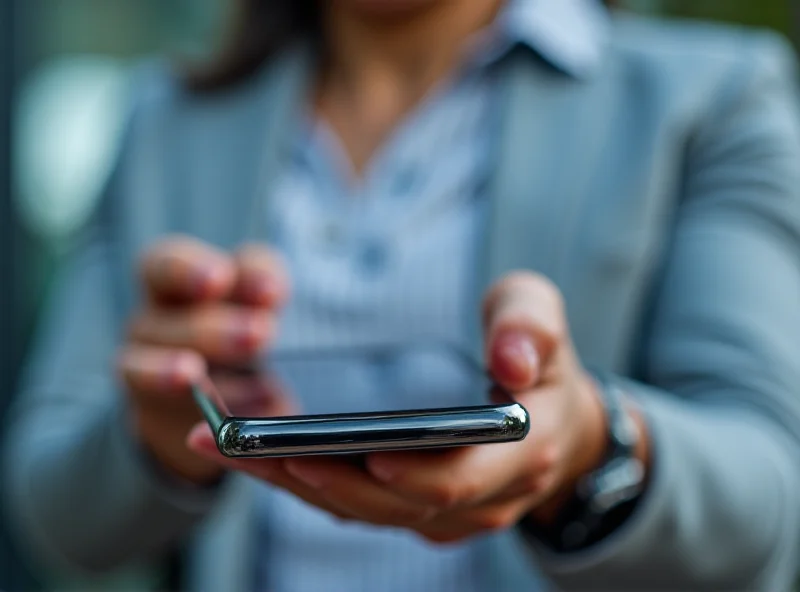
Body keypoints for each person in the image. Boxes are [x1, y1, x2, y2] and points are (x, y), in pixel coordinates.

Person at [4, 0, 800, 590]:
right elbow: (53, 513)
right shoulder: (165, 124)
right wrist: (152, 433)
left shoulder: (712, 96)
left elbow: (772, 498)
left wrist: (593, 447)